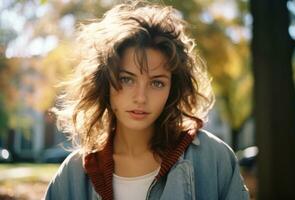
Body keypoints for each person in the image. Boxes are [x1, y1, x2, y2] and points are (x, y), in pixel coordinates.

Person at [44, 1, 249, 200]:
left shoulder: (214, 159)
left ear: (173, 89)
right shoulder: (72, 176)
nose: (141, 98)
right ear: (104, 82)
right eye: (127, 79)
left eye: (157, 83)